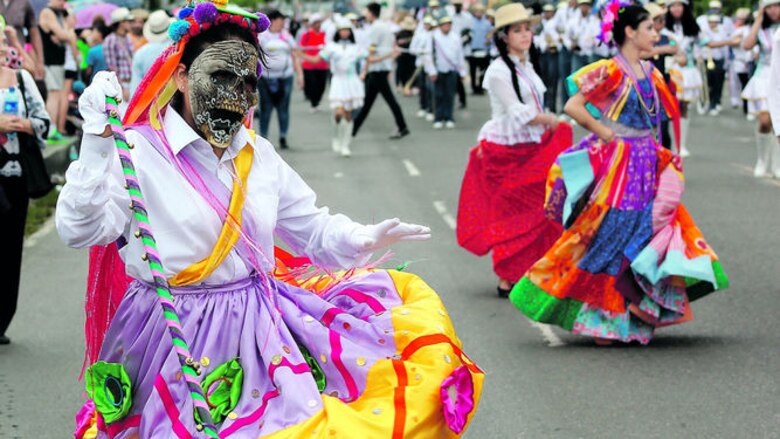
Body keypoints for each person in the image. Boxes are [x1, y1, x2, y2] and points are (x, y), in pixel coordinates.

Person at [58, 2, 483, 436]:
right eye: (220, 77)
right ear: (182, 77)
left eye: (248, 82)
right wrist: (95, 145)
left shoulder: (258, 155)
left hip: (260, 334)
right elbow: (80, 230)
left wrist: (364, 236)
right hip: (169, 338)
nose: (236, 96)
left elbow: (313, 230)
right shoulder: (138, 153)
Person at [509, 4, 728, 345]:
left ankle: (632, 315)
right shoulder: (610, 71)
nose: (655, 34)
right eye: (649, 28)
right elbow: (573, 106)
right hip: (620, 163)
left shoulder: (650, 71)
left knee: (644, 231)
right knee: (609, 232)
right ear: (629, 32)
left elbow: (658, 121)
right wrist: (605, 132)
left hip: (646, 160)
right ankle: (601, 319)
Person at [457, 3, 571, 297]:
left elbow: (533, 107)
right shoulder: (497, 70)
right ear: (504, 36)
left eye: (527, 29)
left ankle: (534, 269)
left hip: (533, 145)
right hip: (506, 151)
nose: (525, 35)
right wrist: (551, 119)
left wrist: (549, 122)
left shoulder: (527, 64)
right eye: (517, 30)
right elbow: (519, 112)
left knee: (542, 210)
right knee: (511, 217)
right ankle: (507, 276)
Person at [0, 28, 52, 345]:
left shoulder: (21, 79)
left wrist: (26, 125)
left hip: (15, 174)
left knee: (9, 249)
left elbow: (44, 120)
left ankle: (2, 318)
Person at [301, 20, 366, 156]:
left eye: (347, 30)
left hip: (352, 82)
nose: (345, 32)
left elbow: (368, 58)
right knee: (338, 113)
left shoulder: (355, 47)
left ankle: (345, 145)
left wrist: (364, 72)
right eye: (342, 30)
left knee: (348, 115)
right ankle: (336, 136)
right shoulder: (331, 46)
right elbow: (316, 59)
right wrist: (300, 54)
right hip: (338, 81)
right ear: (338, 31)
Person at [351, 2, 410, 139]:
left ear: (371, 13)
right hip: (380, 68)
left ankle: (402, 126)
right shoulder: (384, 27)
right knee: (368, 103)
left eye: (366, 12)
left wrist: (365, 70)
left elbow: (371, 53)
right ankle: (353, 129)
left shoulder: (375, 29)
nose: (365, 15)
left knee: (386, 101)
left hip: (378, 69)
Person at [741, 0, 780, 179]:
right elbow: (747, 45)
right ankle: (762, 160)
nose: (773, 10)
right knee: (765, 121)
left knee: (778, 123)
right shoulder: (762, 30)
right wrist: (758, 21)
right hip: (764, 76)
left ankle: (776, 163)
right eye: (769, 7)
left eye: (776, 5)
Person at [258, 9, 302, 150]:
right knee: (266, 109)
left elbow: (295, 55)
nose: (283, 22)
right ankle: (263, 137)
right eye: (281, 19)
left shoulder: (286, 36)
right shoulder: (263, 37)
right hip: (266, 78)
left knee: (283, 108)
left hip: (285, 77)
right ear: (273, 20)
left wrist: (300, 75)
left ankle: (283, 136)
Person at [666, 0, 701, 158]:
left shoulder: (692, 28)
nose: (676, 8)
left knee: (684, 107)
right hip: (670, 69)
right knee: (671, 106)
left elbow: (704, 43)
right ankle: (670, 143)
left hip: (687, 71)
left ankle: (681, 144)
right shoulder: (663, 27)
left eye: (679, 5)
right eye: (673, 5)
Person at [38, 0, 73, 143]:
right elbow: (66, 35)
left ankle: (54, 130)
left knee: (58, 95)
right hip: (50, 62)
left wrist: (63, 34)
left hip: (57, 62)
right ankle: (50, 130)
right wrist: (64, 35)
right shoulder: (48, 12)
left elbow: (65, 35)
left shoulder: (58, 14)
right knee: (53, 94)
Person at [426, 15, 466, 129]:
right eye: (444, 25)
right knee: (438, 95)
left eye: (449, 24)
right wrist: (432, 71)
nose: (446, 27)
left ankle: (449, 117)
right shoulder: (434, 37)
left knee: (450, 94)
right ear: (440, 26)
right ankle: (438, 117)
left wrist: (462, 72)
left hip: (452, 69)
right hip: (438, 70)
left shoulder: (455, 37)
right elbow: (429, 55)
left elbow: (460, 56)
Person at [0, 0, 45, 81]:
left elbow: (34, 32)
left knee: (26, 77)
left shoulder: (23, 3)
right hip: (2, 59)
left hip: (19, 56)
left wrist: (40, 61)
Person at [130, 10, 172, 95]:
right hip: (174, 101)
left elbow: (135, 88)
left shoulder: (140, 53)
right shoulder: (176, 49)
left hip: (149, 102)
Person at [700, 14, 732, 116]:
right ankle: (708, 102)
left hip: (720, 60)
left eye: (715, 22)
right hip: (708, 60)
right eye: (710, 22)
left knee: (719, 82)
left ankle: (716, 102)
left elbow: (725, 49)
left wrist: (726, 61)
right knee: (709, 82)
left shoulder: (722, 31)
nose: (712, 24)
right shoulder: (704, 32)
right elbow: (707, 44)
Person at [298, 13, 328, 111]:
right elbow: (301, 49)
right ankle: (313, 103)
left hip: (323, 65)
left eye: (319, 22)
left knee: (322, 86)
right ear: (312, 24)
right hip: (309, 65)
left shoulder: (325, 34)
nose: (317, 25)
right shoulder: (306, 35)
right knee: (312, 86)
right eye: (315, 23)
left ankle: (317, 101)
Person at [103, 7, 134, 100]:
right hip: (121, 85)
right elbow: (112, 68)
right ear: (121, 23)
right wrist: (122, 88)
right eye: (128, 21)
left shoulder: (128, 38)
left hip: (132, 82)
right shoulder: (110, 40)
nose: (131, 24)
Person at [729, 8, 754, 118]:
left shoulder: (757, 29)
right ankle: (747, 108)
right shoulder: (740, 30)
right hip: (741, 62)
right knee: (745, 85)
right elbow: (732, 42)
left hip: (755, 62)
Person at [536, 3, 561, 112]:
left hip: (553, 53)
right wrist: (544, 45)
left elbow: (561, 37)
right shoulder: (540, 24)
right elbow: (536, 38)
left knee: (553, 80)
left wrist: (554, 44)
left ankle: (552, 106)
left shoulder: (557, 23)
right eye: (546, 11)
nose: (548, 13)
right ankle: (543, 104)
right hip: (543, 53)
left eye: (550, 11)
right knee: (543, 80)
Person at [411, 14, 435, 120]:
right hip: (421, 64)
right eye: (426, 24)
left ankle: (431, 108)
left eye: (429, 24)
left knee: (430, 87)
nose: (427, 26)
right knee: (422, 87)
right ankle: (423, 107)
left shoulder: (434, 35)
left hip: (431, 65)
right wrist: (420, 51)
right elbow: (412, 49)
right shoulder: (418, 35)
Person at [566, 0, 601, 72]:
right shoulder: (573, 21)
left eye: (587, 5)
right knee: (575, 77)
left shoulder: (595, 21)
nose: (585, 7)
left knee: (590, 78)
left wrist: (594, 41)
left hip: (591, 54)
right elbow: (566, 37)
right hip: (577, 54)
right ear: (579, 6)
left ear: (590, 7)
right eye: (583, 5)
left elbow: (598, 37)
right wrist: (570, 44)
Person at [467, 3, 492, 96]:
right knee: (473, 71)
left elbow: (490, 36)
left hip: (483, 50)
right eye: (477, 11)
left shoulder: (487, 23)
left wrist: (489, 43)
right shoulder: (471, 22)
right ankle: (474, 88)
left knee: (483, 71)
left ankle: (481, 87)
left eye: (480, 12)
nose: (478, 13)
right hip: (473, 50)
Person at [395, 16, 416, 95]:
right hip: (402, 56)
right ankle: (403, 86)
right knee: (401, 71)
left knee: (409, 71)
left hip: (411, 56)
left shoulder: (413, 33)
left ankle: (408, 87)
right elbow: (398, 42)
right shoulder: (400, 33)